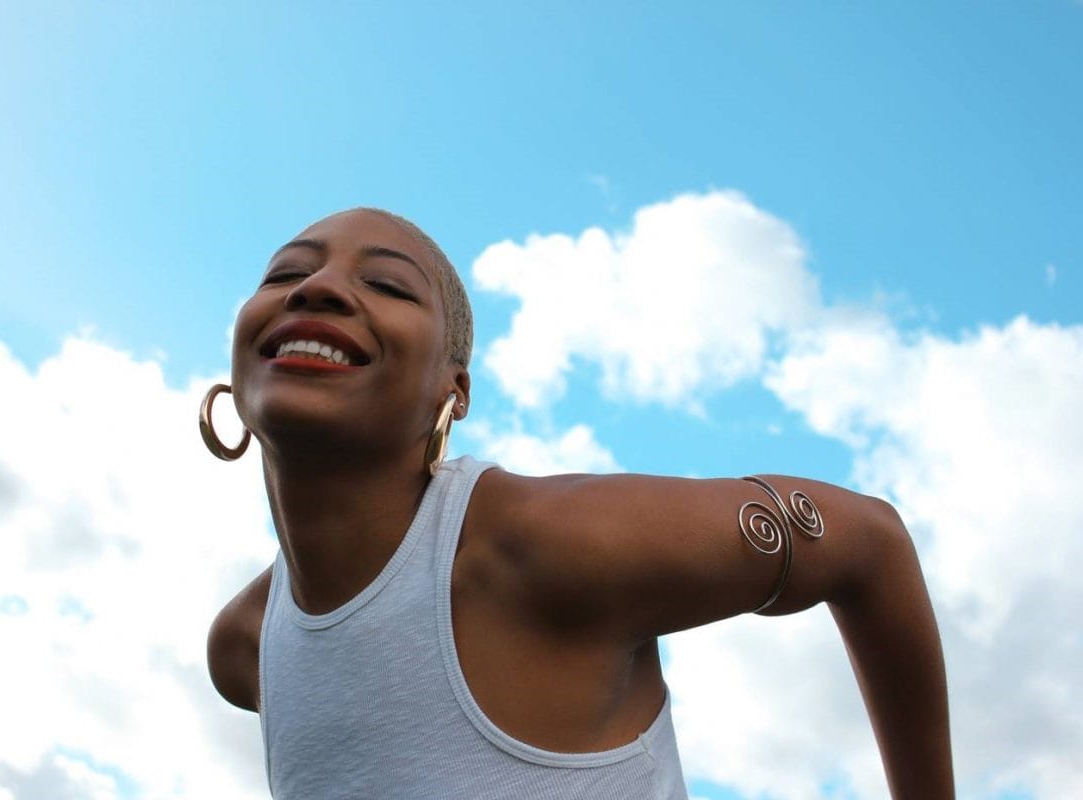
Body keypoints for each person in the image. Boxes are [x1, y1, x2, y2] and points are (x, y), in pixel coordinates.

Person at [201, 208, 954, 799]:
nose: (317, 288)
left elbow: (870, 542)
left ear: (452, 391)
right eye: (284, 274)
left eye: (390, 286)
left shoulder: (547, 548)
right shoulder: (243, 649)